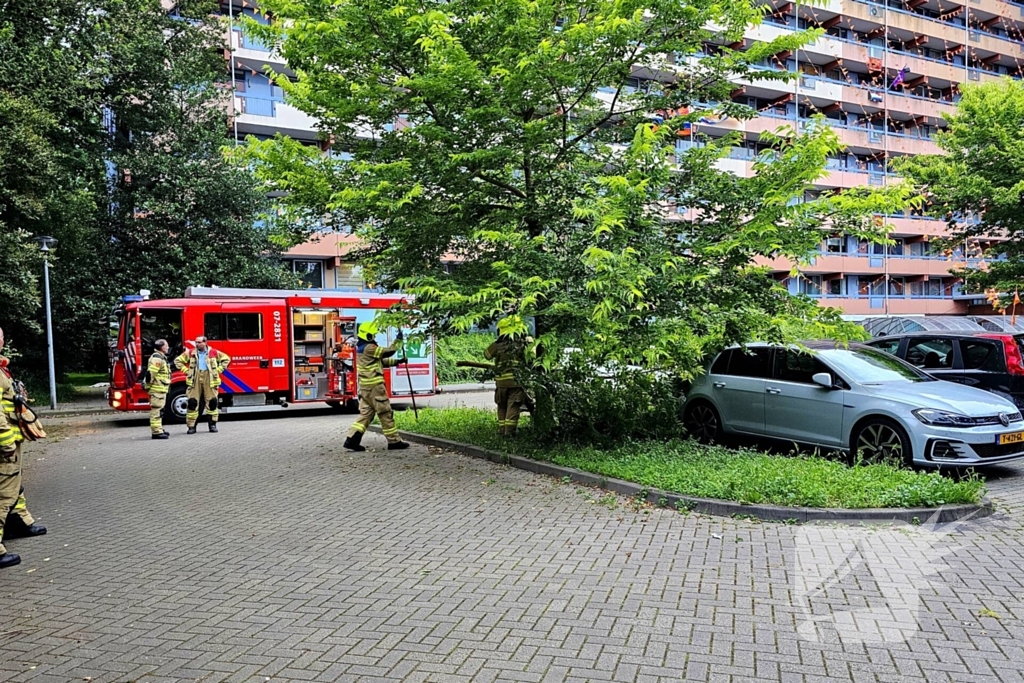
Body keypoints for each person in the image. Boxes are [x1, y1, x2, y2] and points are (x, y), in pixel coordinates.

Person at [0, 327, 46, 570]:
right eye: (1, 338)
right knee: (3, 492)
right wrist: (6, 442)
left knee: (14, 484)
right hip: (3, 444)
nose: (3, 341)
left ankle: (18, 522)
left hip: (10, 443)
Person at [343, 322, 409, 452]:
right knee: (385, 412)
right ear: (367, 334)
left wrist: (398, 362)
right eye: (373, 334)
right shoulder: (369, 348)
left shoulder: (360, 347)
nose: (374, 336)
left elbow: (380, 361)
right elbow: (387, 352)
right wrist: (398, 341)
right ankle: (394, 441)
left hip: (365, 388)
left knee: (366, 414)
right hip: (375, 387)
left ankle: (352, 440)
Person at [174, 336, 231, 434]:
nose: (197, 344)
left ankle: (212, 425)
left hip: (209, 379)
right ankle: (192, 427)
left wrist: (218, 370)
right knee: (192, 403)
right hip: (195, 379)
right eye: (196, 342)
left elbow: (226, 359)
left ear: (205, 343)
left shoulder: (213, 352)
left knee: (212, 403)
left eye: (199, 342)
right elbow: (177, 361)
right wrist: (187, 371)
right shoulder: (191, 352)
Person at [484, 320, 529, 437]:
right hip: (516, 383)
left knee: (502, 406)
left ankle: (502, 430)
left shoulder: (497, 345)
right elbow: (531, 358)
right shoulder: (522, 344)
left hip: (501, 383)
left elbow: (487, 355)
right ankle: (509, 433)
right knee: (513, 406)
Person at [147, 339, 172, 440]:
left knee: (160, 410)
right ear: (162, 347)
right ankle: (156, 432)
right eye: (167, 346)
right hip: (157, 390)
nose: (168, 347)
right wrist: (148, 387)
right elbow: (150, 375)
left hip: (160, 389)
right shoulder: (157, 358)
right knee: (157, 411)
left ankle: (159, 429)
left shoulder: (160, 357)